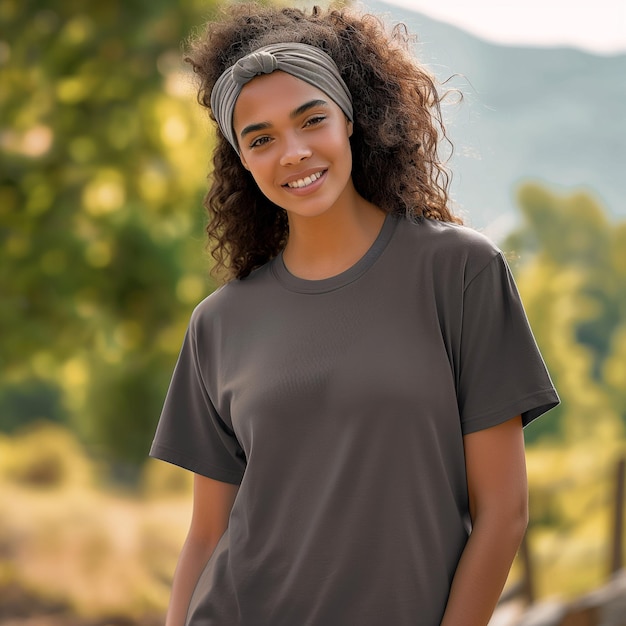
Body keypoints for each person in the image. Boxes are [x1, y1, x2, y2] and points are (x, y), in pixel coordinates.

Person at [149, 4, 559, 626]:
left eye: (311, 120)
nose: (293, 152)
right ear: (242, 159)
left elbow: (504, 512)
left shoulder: (459, 272)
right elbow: (206, 535)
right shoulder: (219, 323)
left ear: (351, 121)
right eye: (260, 138)